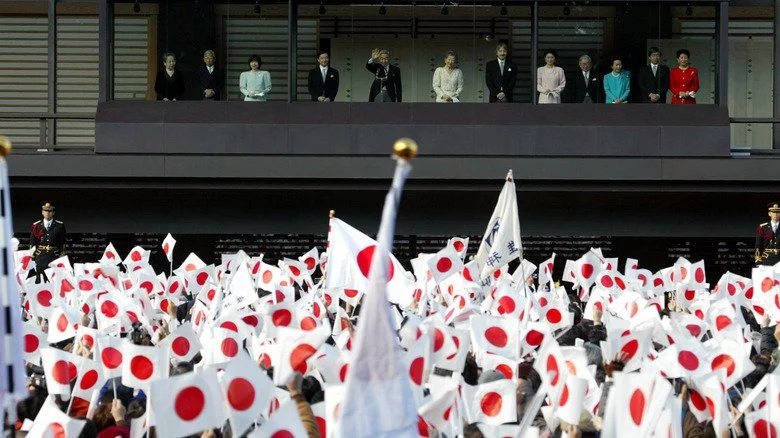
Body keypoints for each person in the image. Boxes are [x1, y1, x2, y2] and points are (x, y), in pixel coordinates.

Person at [29, 202, 66, 279]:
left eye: (49, 211)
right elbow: (32, 242)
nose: (47, 213)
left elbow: (62, 242)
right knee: (39, 279)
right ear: (42, 212)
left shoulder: (60, 225)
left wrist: (61, 256)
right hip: (40, 256)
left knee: (53, 279)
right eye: (45, 211)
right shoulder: (37, 225)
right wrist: (31, 256)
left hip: (54, 256)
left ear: (53, 213)